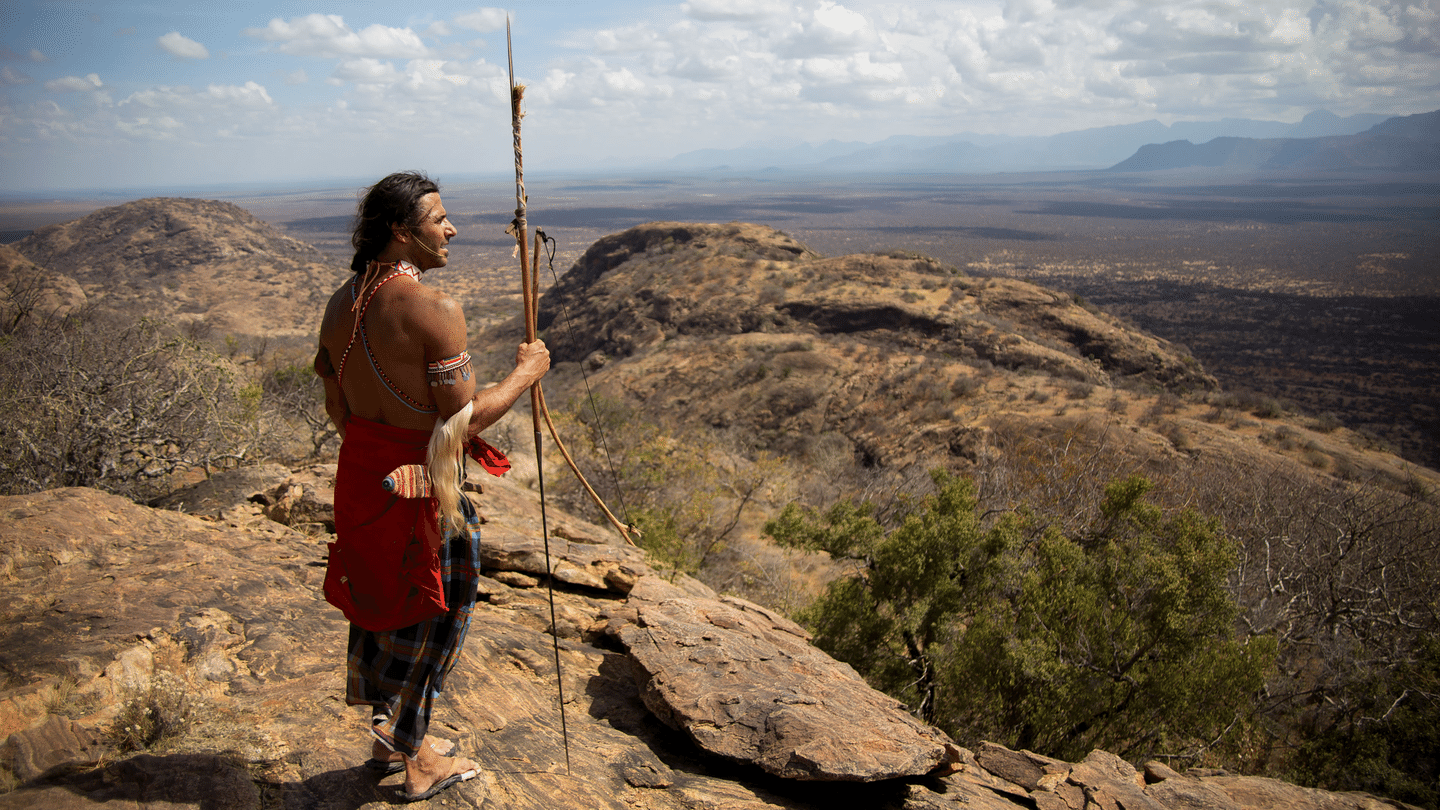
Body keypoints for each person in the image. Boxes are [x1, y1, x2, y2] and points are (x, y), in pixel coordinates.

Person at [313, 171, 550, 801]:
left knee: (379, 602)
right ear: (401, 230)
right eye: (438, 218)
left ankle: (386, 731)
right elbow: (461, 417)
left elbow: (336, 405)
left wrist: (380, 448)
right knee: (435, 612)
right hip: (423, 484)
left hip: (362, 476)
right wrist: (527, 373)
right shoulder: (434, 310)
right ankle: (415, 756)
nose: (451, 229)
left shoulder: (340, 303)